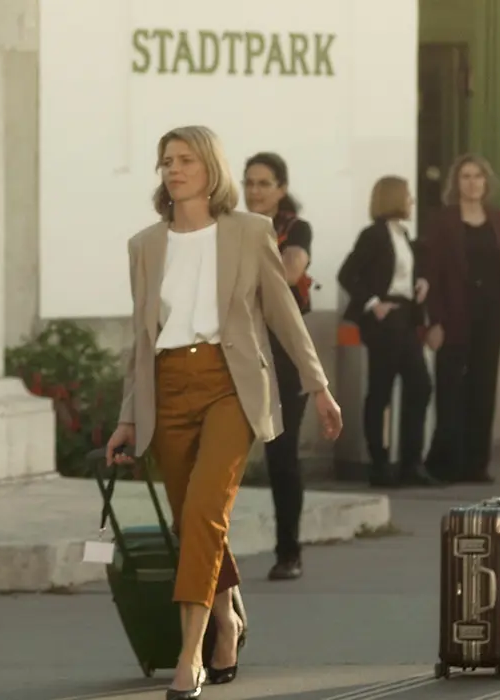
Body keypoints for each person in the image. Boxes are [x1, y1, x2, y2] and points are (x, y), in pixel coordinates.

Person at [103, 126, 344, 699]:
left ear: (211, 169)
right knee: (195, 522)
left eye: (186, 159)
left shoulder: (249, 232)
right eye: (166, 161)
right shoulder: (145, 245)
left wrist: (320, 386)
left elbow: (284, 315)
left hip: (230, 385)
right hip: (168, 389)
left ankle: (193, 654)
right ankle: (229, 614)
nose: (174, 169)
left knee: (208, 510)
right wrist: (128, 415)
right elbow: (141, 340)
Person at [420, 154, 500, 484]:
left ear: (486, 182)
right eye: (465, 176)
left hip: (490, 316)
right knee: (449, 389)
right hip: (453, 316)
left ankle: (475, 464)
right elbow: (431, 273)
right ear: (457, 183)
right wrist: (433, 321)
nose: (472, 182)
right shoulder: (442, 222)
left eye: (478, 176)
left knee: (483, 389)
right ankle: (444, 462)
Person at [240, 152, 316, 581]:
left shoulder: (295, 229)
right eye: (250, 183)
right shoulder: (230, 227)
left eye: (264, 183)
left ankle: (289, 551)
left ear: (281, 188)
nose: (255, 191)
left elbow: (290, 270)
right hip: (238, 347)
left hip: (284, 352)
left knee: (282, 456)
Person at [337, 176, 439, 488]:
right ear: (394, 198)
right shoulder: (373, 235)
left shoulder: (404, 235)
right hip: (385, 320)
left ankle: (411, 462)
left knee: (419, 386)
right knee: (381, 390)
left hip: (407, 317)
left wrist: (421, 282)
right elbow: (347, 274)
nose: (411, 201)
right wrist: (372, 304)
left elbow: (406, 272)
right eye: (407, 196)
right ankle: (379, 465)